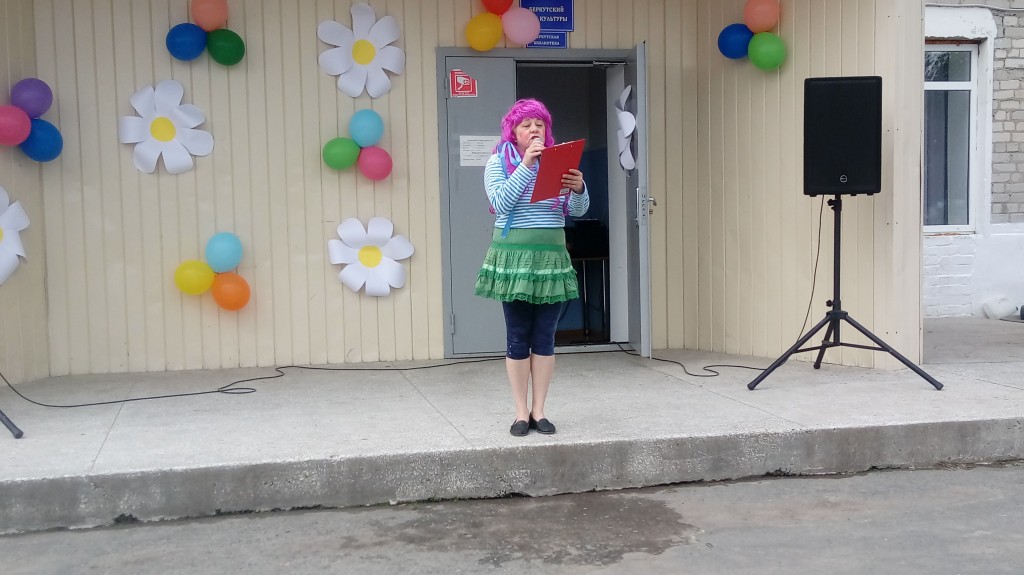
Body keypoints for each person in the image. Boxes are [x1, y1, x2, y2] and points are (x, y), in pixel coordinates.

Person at [474, 98, 590, 437]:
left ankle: (539, 410)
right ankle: (520, 413)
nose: (534, 130)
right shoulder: (499, 161)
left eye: (540, 124)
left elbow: (577, 211)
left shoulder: (558, 161)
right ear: (513, 131)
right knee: (517, 336)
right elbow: (500, 203)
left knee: (544, 338)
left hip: (551, 258)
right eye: (526, 125)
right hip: (513, 259)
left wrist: (579, 189)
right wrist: (526, 165)